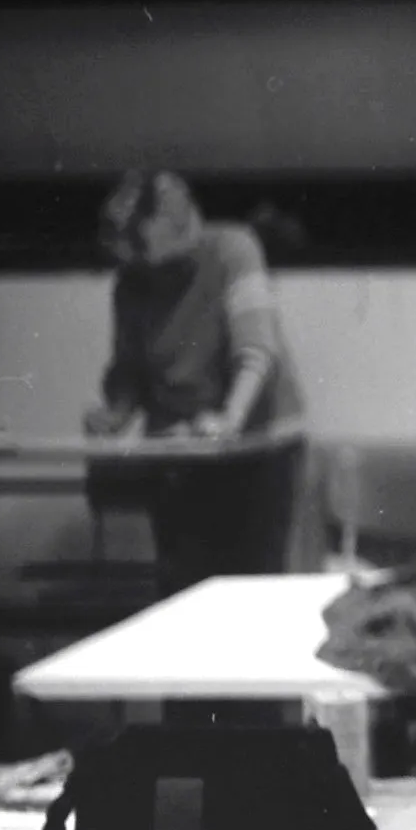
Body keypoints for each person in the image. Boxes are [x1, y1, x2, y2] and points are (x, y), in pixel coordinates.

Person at [84, 170, 307, 594]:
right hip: (180, 449)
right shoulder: (130, 281)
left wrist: (230, 417)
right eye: (133, 259)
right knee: (182, 588)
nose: (147, 272)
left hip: (259, 445)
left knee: (253, 591)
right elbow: (130, 370)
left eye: (152, 256)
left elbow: (257, 349)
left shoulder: (232, 250)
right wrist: (116, 413)